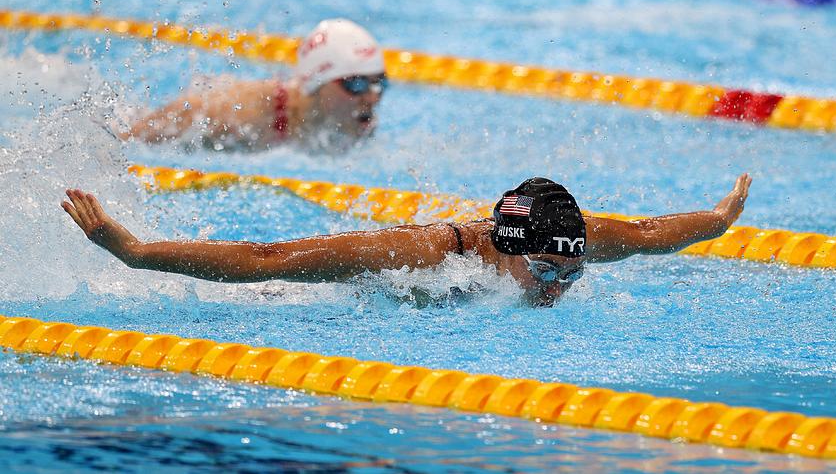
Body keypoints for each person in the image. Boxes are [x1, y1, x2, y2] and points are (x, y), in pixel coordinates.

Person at [61, 174, 752, 307]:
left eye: (570, 275)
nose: (557, 287)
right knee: (283, 288)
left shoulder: (573, 240)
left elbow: (651, 233)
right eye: (547, 272)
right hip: (318, 297)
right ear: (510, 250)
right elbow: (269, 257)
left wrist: (718, 220)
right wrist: (136, 252)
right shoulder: (429, 254)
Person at [123, 18, 388, 151]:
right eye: (356, 84)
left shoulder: (357, 127)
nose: (373, 97)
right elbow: (178, 117)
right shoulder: (249, 113)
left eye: (379, 83)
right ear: (316, 82)